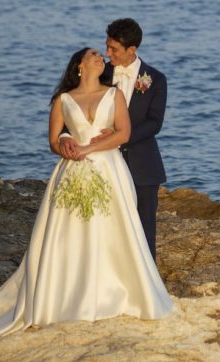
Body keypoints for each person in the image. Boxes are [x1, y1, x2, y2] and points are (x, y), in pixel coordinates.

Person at [0, 47, 173, 344]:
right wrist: (67, 145)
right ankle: (68, 295)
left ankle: (117, 291)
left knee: (113, 230)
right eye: (94, 55)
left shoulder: (114, 95)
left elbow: (122, 134)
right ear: (80, 66)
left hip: (110, 171)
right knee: (69, 234)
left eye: (102, 53)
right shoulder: (63, 99)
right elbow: (52, 140)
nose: (101, 57)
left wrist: (86, 149)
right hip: (71, 173)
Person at [62, 18, 167, 260]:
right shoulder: (99, 72)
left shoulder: (156, 79)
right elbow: (70, 107)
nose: (107, 54)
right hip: (101, 163)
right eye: (106, 47)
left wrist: (121, 136)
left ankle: (148, 285)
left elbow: (154, 123)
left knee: (145, 225)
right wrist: (66, 136)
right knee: (102, 223)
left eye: (114, 49)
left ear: (132, 49)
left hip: (143, 163)